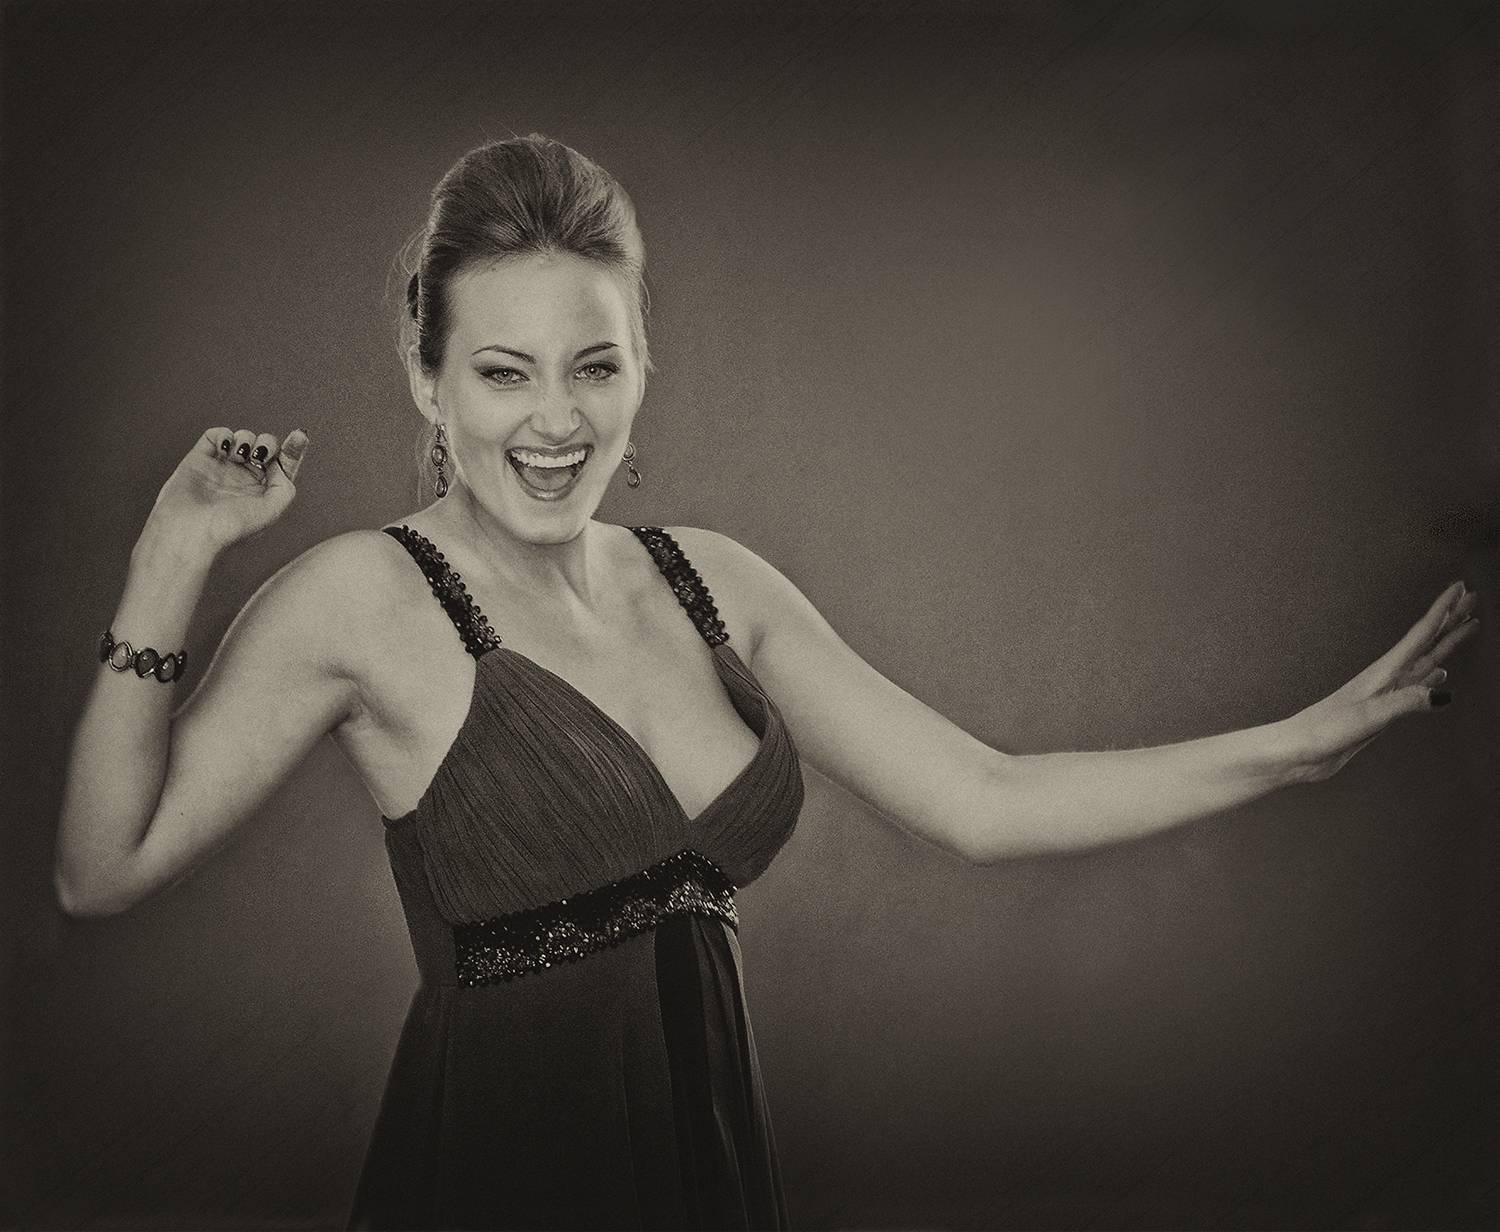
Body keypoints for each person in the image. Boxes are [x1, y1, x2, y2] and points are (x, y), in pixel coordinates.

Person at [54, 133, 1482, 1231]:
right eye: (503, 373)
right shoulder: (362, 598)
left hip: (711, 1169)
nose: (557, 421)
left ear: (643, 367)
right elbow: (101, 870)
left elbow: (984, 797)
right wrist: (173, 554)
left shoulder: (711, 582)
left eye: (594, 367)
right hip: (498, 1176)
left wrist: (1298, 748)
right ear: (427, 380)